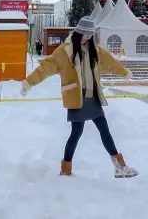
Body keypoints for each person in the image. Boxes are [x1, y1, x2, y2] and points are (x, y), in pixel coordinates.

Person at [21, 16, 138, 178]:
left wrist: (124, 72)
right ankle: (66, 169)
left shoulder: (94, 49)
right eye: (85, 34)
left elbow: (110, 62)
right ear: (78, 32)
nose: (88, 37)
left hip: (92, 97)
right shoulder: (65, 51)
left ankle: (119, 167)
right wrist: (29, 83)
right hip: (77, 99)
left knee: (104, 130)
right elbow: (47, 67)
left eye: (90, 34)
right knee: (76, 134)